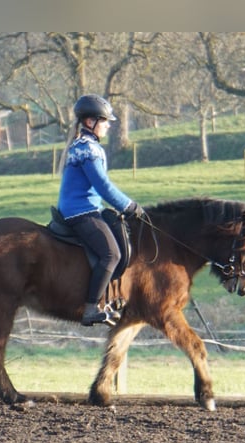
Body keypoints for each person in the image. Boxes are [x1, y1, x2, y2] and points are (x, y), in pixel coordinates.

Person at [57, 94, 144, 326]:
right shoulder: (87, 148)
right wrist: (129, 206)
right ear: (89, 122)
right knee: (111, 254)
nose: (107, 125)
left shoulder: (85, 145)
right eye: (104, 121)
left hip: (87, 208)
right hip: (80, 211)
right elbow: (103, 186)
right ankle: (90, 309)